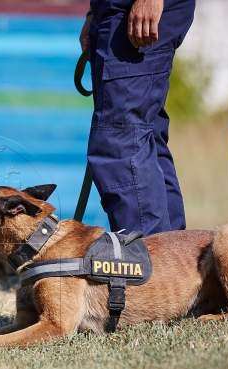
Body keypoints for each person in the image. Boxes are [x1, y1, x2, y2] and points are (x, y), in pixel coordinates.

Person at [80, 0, 194, 235]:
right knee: (143, 139)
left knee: (121, 143)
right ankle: (177, 263)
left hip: (135, 10)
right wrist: (96, 10)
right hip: (113, 11)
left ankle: (148, 265)